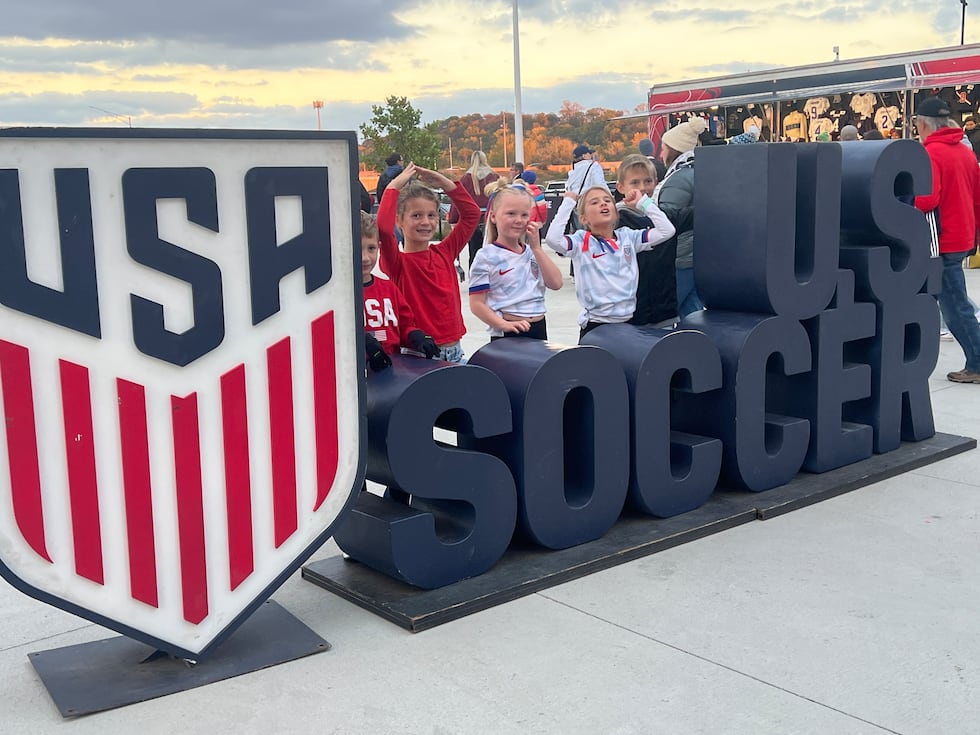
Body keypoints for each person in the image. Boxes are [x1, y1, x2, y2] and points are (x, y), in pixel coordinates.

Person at [377, 162, 480, 363]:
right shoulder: (397, 263)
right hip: (418, 355)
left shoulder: (445, 251)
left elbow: (471, 215)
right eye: (416, 215)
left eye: (431, 215)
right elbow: (383, 227)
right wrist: (393, 187)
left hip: (455, 351)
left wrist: (445, 183)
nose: (426, 222)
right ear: (399, 221)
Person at [545, 185, 675, 340]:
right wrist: (568, 202)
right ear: (583, 218)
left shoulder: (628, 237)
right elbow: (553, 239)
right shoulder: (581, 242)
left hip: (629, 323)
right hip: (596, 326)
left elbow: (667, 231)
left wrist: (643, 203)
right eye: (594, 202)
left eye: (607, 200)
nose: (603, 204)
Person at [913, 95, 980, 383]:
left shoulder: (931, 153)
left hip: (943, 240)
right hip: (963, 235)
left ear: (925, 124)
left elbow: (927, 200)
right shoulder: (965, 151)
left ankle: (977, 363)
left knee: (955, 308)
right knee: (954, 301)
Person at [468, 184, 563, 340]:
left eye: (524, 215)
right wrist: (503, 325)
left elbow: (556, 283)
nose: (518, 220)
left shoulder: (533, 252)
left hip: (538, 326)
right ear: (493, 216)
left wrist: (537, 249)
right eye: (511, 214)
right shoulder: (486, 256)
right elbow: (477, 304)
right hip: (508, 329)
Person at [359, 211, 438, 372]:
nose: (365, 258)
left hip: (392, 370)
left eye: (371, 248)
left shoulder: (388, 289)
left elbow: (404, 325)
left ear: (379, 247)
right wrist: (361, 341)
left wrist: (415, 336)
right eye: (356, 249)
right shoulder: (337, 297)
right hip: (358, 377)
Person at [616, 154, 679, 327]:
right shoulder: (614, 220)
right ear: (621, 187)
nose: (642, 188)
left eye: (648, 181)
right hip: (629, 314)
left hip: (664, 311)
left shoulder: (666, 215)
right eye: (635, 183)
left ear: (656, 182)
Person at [656, 116, 708, 318]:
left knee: (667, 312)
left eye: (663, 148)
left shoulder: (677, 179)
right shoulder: (700, 171)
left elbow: (667, 218)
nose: (661, 153)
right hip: (697, 254)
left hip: (679, 256)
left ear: (673, 149)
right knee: (692, 312)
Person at [449, 150, 499, 273]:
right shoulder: (494, 177)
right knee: (494, 251)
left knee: (474, 252)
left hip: (473, 221)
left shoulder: (466, 179)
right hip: (491, 220)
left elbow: (458, 199)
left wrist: (453, 218)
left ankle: (476, 281)